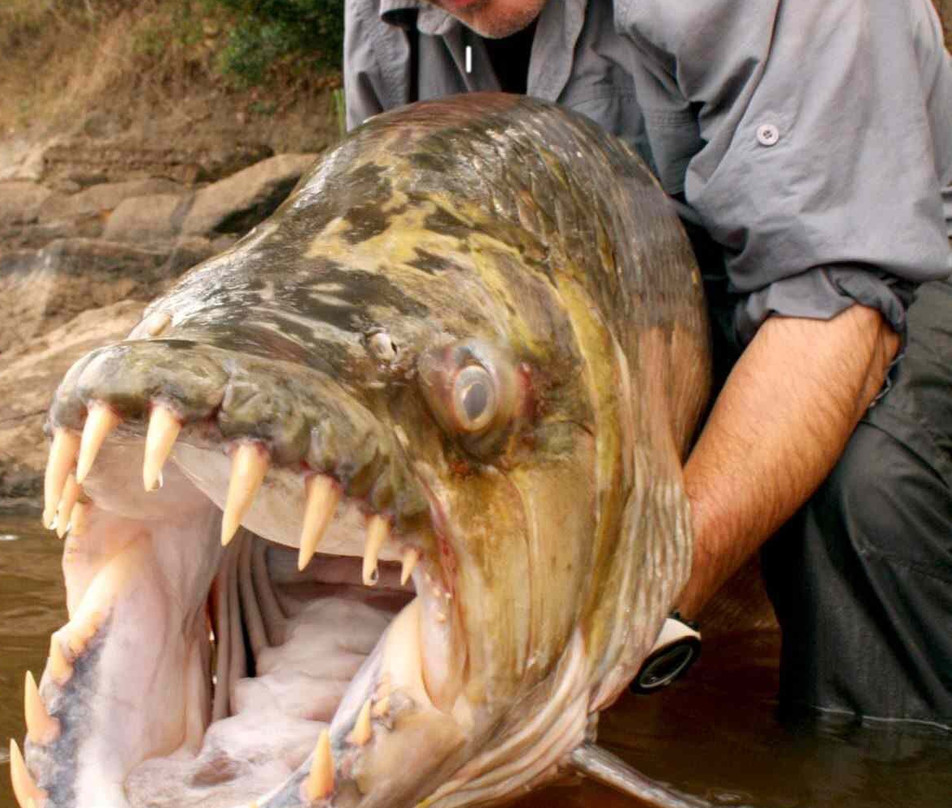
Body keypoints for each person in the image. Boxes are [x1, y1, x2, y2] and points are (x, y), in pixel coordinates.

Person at [343, 0, 952, 726]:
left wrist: (632, 605)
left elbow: (838, 308)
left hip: (891, 260)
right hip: (635, 309)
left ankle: (885, 756)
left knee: (870, 488)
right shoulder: (379, 19)